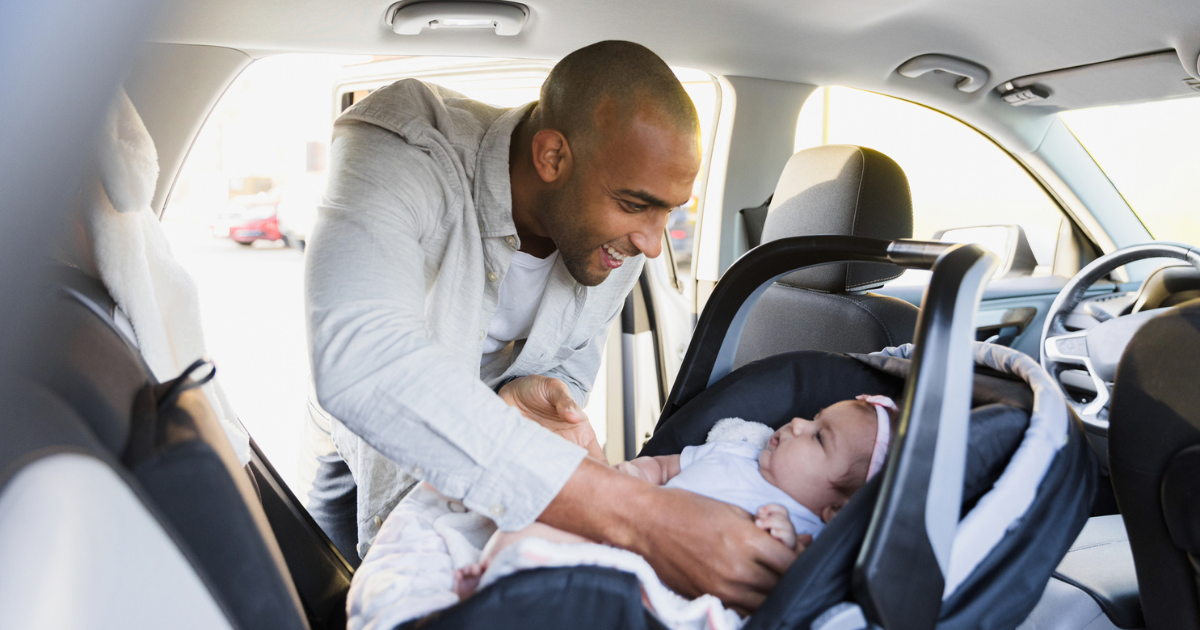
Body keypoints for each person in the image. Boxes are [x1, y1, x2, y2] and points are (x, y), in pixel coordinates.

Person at [305, 40, 795, 610]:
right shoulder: (406, 147)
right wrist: (645, 518)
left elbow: (572, 362)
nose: (652, 245)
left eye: (669, 211)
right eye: (636, 205)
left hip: (496, 467)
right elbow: (361, 358)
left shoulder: (623, 243)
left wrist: (532, 393)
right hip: (366, 438)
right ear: (553, 157)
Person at [452, 395, 899, 597]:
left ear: (836, 508)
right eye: (814, 416)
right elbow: (665, 466)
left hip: (676, 581)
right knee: (534, 520)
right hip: (618, 529)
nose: (799, 424)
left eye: (820, 438)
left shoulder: (808, 529)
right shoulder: (737, 449)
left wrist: (788, 543)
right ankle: (494, 569)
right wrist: (631, 474)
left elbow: (791, 580)